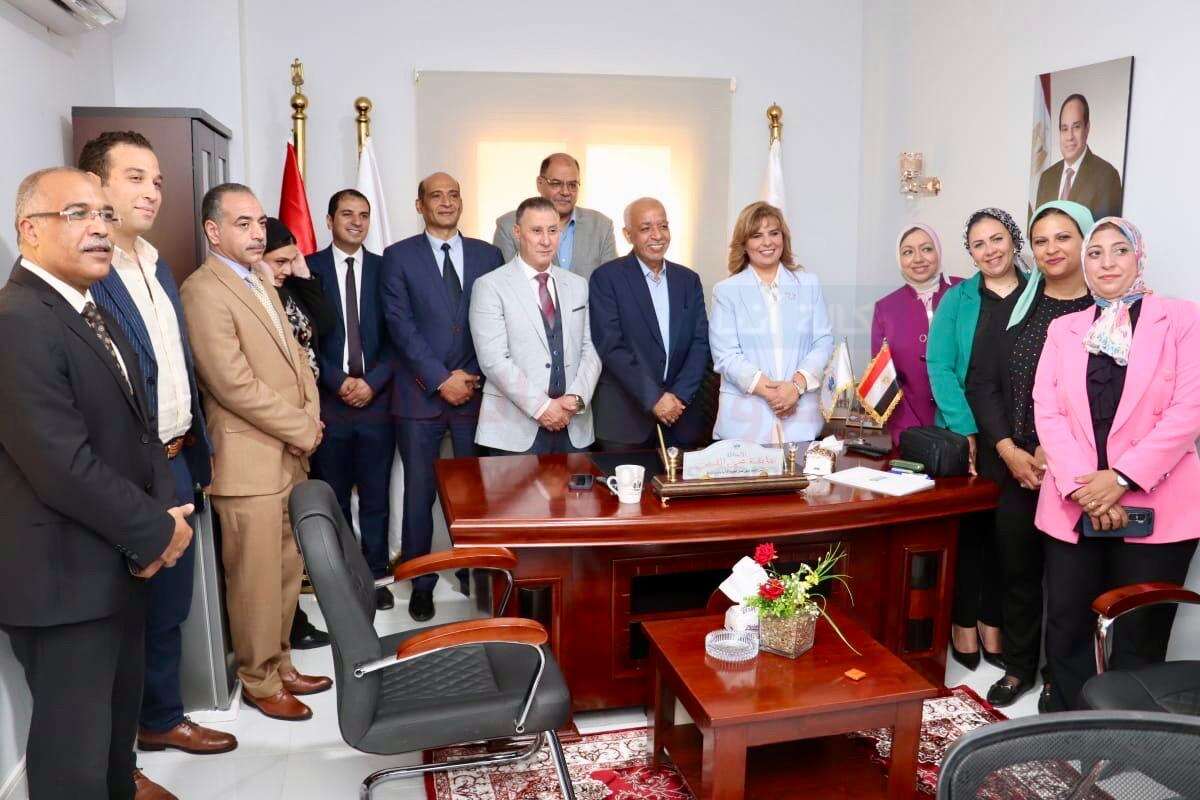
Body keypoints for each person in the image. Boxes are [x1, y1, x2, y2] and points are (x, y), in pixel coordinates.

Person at [0, 167, 194, 800]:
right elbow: (61, 465)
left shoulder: (88, 308)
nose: (101, 229)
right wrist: (157, 531)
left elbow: (141, 427)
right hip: (62, 580)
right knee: (72, 761)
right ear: (30, 230)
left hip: (113, 567)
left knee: (112, 746)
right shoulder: (17, 321)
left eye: (105, 215)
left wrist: (166, 509)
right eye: (78, 214)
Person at [78, 132, 238, 771]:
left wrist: (199, 451)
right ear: (96, 186)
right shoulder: (89, 272)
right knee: (124, 614)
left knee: (170, 606)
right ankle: (120, 761)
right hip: (125, 469)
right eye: (135, 178)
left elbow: (178, 367)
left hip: (176, 458)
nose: (152, 192)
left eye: (158, 182)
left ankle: (162, 719)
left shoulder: (155, 262)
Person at [1034, 217, 1200, 710]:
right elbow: (1047, 410)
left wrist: (1122, 479)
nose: (1107, 263)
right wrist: (1087, 488)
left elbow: (1188, 410)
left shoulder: (1183, 319)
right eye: (1096, 253)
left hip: (1157, 502)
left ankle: (1129, 731)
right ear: (1084, 264)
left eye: (1119, 250)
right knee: (1067, 622)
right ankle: (1071, 721)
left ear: (1138, 256)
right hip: (1074, 498)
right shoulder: (1063, 329)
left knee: (1140, 629)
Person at [180, 183, 331, 721]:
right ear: (213, 231)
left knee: (287, 571)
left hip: (288, 453)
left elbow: (298, 356)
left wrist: (309, 414)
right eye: (241, 224)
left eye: (260, 223)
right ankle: (259, 679)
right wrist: (301, 427)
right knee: (255, 580)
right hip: (248, 462)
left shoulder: (261, 279)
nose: (256, 233)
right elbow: (231, 384)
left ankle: (282, 662)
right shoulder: (203, 290)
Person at [966, 201, 1095, 708]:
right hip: (1015, 464)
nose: (1052, 249)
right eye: (1041, 240)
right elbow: (982, 384)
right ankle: (1019, 667)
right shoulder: (1014, 309)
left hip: (1077, 471)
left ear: (1085, 240)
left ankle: (1060, 676)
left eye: (1063, 237)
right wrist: (1007, 449)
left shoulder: (1105, 311)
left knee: (1069, 583)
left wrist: (1057, 454)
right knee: (1017, 572)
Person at [382, 172, 504, 620]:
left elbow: (497, 320)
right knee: (419, 494)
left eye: (454, 194)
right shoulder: (398, 257)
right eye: (437, 196)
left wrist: (470, 375)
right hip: (420, 397)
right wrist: (439, 379)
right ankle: (422, 581)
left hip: (475, 393)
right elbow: (399, 326)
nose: (447, 202)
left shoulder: (489, 255)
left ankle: (474, 572)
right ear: (420, 205)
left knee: (475, 494)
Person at [927, 207, 1029, 675]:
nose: (990, 251)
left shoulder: (1037, 291)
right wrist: (965, 429)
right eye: (978, 244)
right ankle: (963, 622)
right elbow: (940, 366)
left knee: (1011, 538)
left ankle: (993, 621)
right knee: (971, 535)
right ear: (970, 253)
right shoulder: (959, 299)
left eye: (997, 239)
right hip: (969, 432)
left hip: (1023, 435)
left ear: (1013, 240)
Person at [306, 190, 396, 612]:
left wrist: (371, 383)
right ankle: (342, 579)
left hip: (377, 403)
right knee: (334, 497)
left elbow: (399, 336)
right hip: (330, 403)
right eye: (347, 214)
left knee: (376, 496)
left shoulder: (386, 269)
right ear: (329, 220)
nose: (357, 222)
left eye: (363, 215)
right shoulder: (308, 269)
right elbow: (302, 338)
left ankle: (376, 576)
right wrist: (338, 380)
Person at [471, 196, 601, 454]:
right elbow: (493, 359)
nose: (546, 240)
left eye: (552, 231)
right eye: (536, 231)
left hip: (574, 426)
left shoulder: (578, 285)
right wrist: (543, 407)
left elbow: (593, 348)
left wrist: (576, 399)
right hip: (512, 430)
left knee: (579, 485)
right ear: (517, 232)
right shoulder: (490, 286)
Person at [260, 217, 336, 650]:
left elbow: (324, 323)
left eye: (292, 259)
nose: (287, 267)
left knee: (298, 522)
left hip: (308, 419)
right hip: (281, 425)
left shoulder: (287, 288)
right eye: (280, 260)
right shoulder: (256, 298)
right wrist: (298, 422)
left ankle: (295, 618)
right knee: (280, 536)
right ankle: (288, 625)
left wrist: (301, 273)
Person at [589, 197, 710, 451]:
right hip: (624, 422)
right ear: (628, 234)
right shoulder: (607, 278)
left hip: (681, 417)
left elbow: (700, 343)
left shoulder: (688, 280)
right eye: (645, 228)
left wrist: (679, 396)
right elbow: (611, 346)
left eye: (663, 226)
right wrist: (654, 398)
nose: (657, 235)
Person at [708, 201, 832, 444]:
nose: (767, 242)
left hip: (801, 422)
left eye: (774, 233)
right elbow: (726, 355)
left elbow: (823, 342)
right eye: (757, 235)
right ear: (744, 244)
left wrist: (795, 388)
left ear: (783, 238)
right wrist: (775, 395)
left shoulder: (808, 284)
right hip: (744, 423)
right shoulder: (726, 291)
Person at [870, 224, 960, 447]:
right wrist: (909, 432)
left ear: (938, 251)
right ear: (899, 259)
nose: (918, 259)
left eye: (926, 249)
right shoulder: (886, 308)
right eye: (908, 252)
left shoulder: (964, 291)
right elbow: (884, 379)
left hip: (967, 425)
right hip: (909, 428)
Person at [492, 153, 616, 280]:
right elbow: (504, 281)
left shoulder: (602, 226)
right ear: (540, 183)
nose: (565, 192)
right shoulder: (508, 225)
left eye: (572, 185)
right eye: (556, 184)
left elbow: (611, 281)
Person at [1035, 94, 1123, 221]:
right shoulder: (1047, 178)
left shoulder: (1107, 177)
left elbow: (1105, 231)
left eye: (1076, 127)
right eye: (1064, 129)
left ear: (1087, 129)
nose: (1069, 136)